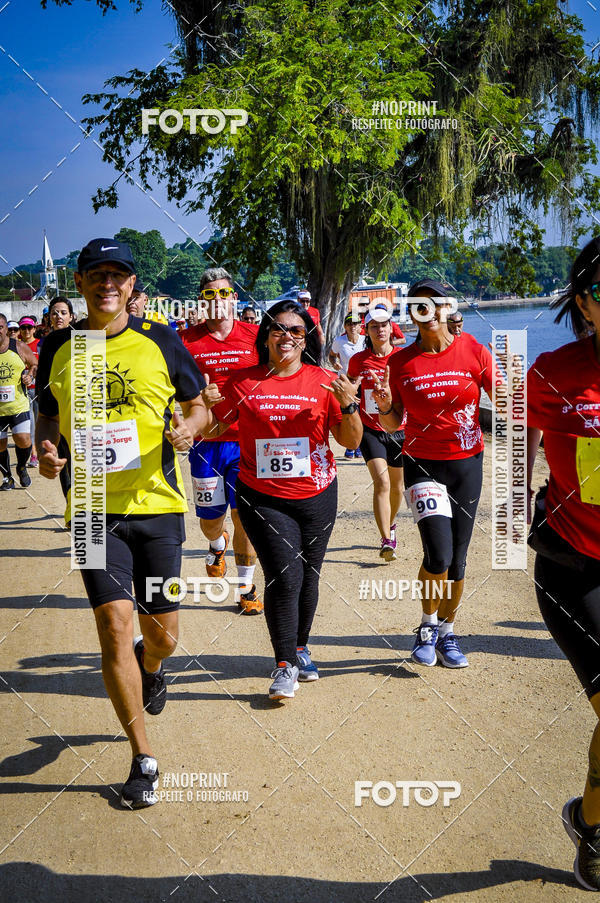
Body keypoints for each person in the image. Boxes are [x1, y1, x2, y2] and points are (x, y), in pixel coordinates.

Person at [36, 237, 207, 809]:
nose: (108, 283)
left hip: (158, 506)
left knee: (163, 635)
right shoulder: (60, 344)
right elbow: (48, 414)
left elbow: (199, 405)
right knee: (113, 627)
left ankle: (150, 666)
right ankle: (143, 756)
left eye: (119, 274)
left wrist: (190, 430)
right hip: (89, 510)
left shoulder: (161, 338)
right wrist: (46, 448)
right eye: (96, 274)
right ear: (79, 282)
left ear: (132, 285)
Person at [202, 299, 362, 698]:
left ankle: (301, 646)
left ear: (305, 338)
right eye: (278, 328)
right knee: (284, 576)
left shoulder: (325, 380)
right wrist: (204, 407)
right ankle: (284, 664)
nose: (287, 336)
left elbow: (351, 440)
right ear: (265, 335)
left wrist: (350, 403)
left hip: (318, 494)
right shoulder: (243, 380)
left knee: (309, 575)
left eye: (295, 330)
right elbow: (217, 427)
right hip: (262, 495)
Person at [373, 278, 503, 669]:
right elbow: (394, 421)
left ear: (448, 307)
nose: (426, 310)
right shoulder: (400, 361)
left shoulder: (475, 352)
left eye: (434, 303)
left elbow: (508, 403)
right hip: (422, 463)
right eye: (418, 304)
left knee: (459, 560)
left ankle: (447, 632)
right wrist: (382, 406)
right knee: (438, 554)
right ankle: (427, 627)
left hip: (466, 463)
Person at [527, 236, 600, 890]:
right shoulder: (553, 370)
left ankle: (588, 819)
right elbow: (524, 441)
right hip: (575, 570)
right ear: (584, 302)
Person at [181, 267, 263, 615]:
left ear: (235, 298)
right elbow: (174, 388)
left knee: (245, 515)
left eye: (224, 294)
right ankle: (217, 544)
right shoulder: (186, 341)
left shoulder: (256, 336)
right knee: (211, 520)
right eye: (210, 295)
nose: (218, 301)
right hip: (206, 442)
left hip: (247, 440)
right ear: (202, 300)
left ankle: (246, 588)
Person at [347, 306, 405, 560]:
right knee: (381, 482)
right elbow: (350, 387)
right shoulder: (358, 361)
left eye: (383, 325)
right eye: (373, 326)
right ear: (366, 331)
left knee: (398, 487)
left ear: (391, 327)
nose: (380, 330)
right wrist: (350, 390)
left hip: (400, 430)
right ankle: (386, 539)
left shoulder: (403, 358)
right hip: (371, 429)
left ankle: (390, 524)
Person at [38, 297, 76, 496]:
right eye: (54, 312)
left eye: (63, 312)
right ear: (49, 317)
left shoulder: (83, 336)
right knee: (63, 456)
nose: (58, 316)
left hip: (80, 406)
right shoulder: (48, 343)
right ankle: (71, 503)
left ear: (71, 316)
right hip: (57, 409)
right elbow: (43, 376)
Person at [0, 314, 37, 489]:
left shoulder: (19, 347)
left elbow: (34, 364)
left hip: (18, 406)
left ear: (6, 329)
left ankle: (21, 467)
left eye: (0, 327)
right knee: (0, 446)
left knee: (23, 440)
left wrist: (29, 376)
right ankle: (7, 476)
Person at [329, 312, 366, 459]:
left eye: (356, 324)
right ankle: (350, 447)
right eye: (350, 324)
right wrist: (334, 363)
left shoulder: (365, 340)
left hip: (363, 382)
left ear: (360, 327)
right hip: (346, 382)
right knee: (349, 414)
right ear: (345, 326)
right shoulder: (339, 341)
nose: (352, 326)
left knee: (362, 415)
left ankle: (360, 446)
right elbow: (331, 355)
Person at [18, 316, 40, 467]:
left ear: (34, 329)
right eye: (23, 328)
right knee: (30, 423)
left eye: (29, 328)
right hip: (22, 392)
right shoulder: (17, 346)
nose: (26, 331)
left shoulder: (40, 344)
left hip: (38, 390)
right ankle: (33, 454)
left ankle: (39, 450)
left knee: (39, 422)